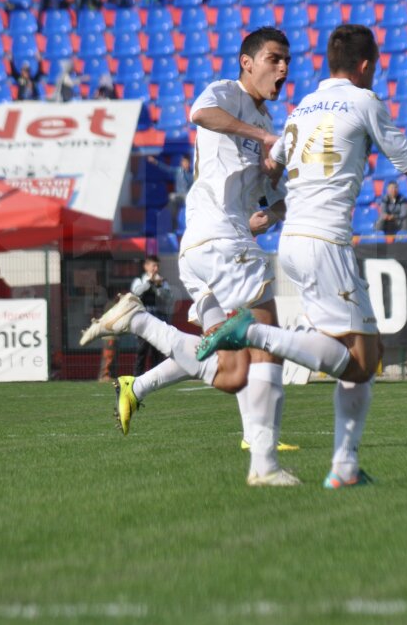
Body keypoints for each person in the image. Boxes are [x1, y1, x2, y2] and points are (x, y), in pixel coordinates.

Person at [200, 24, 407, 489]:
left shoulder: (302, 108)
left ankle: (345, 467)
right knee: (357, 361)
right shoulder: (364, 100)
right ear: (366, 66)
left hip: (293, 239)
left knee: (368, 351)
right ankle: (259, 332)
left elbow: (275, 158)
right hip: (326, 238)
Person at [80, 27, 299, 487]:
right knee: (266, 341)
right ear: (247, 62)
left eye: (286, 61)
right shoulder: (228, 93)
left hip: (207, 245)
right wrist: (260, 135)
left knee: (230, 368)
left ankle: (137, 346)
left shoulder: (266, 131)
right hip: (218, 242)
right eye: (274, 59)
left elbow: (264, 212)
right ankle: (263, 461)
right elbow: (200, 112)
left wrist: (280, 197)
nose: (282, 68)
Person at [130, 256, 173, 376]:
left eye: (157, 266)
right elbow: (136, 292)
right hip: (142, 320)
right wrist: (150, 283)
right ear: (146, 266)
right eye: (153, 266)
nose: (156, 269)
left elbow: (168, 298)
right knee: (142, 350)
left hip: (157, 318)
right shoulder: (139, 280)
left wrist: (158, 287)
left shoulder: (163, 282)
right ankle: (137, 377)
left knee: (157, 350)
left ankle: (156, 377)